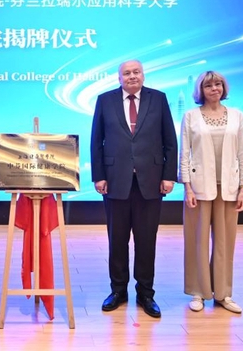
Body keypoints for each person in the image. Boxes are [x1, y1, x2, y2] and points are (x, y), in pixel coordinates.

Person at [91, 60, 178, 318]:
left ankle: (146, 293)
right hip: (115, 181)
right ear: (119, 78)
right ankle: (118, 290)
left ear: (143, 75)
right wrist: (99, 176)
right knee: (117, 240)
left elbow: (170, 141)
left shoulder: (158, 99)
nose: (132, 76)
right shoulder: (105, 100)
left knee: (146, 240)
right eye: (126, 73)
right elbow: (97, 141)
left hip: (150, 181)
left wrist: (168, 176)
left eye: (136, 72)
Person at [179, 70, 243, 314]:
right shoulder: (191, 116)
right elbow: (184, 154)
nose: (214, 89)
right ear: (201, 90)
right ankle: (198, 292)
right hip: (199, 188)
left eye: (218, 84)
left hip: (229, 188)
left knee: (225, 243)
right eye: (208, 85)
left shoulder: (237, 116)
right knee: (196, 241)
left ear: (224, 87)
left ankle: (223, 293)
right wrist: (187, 187)